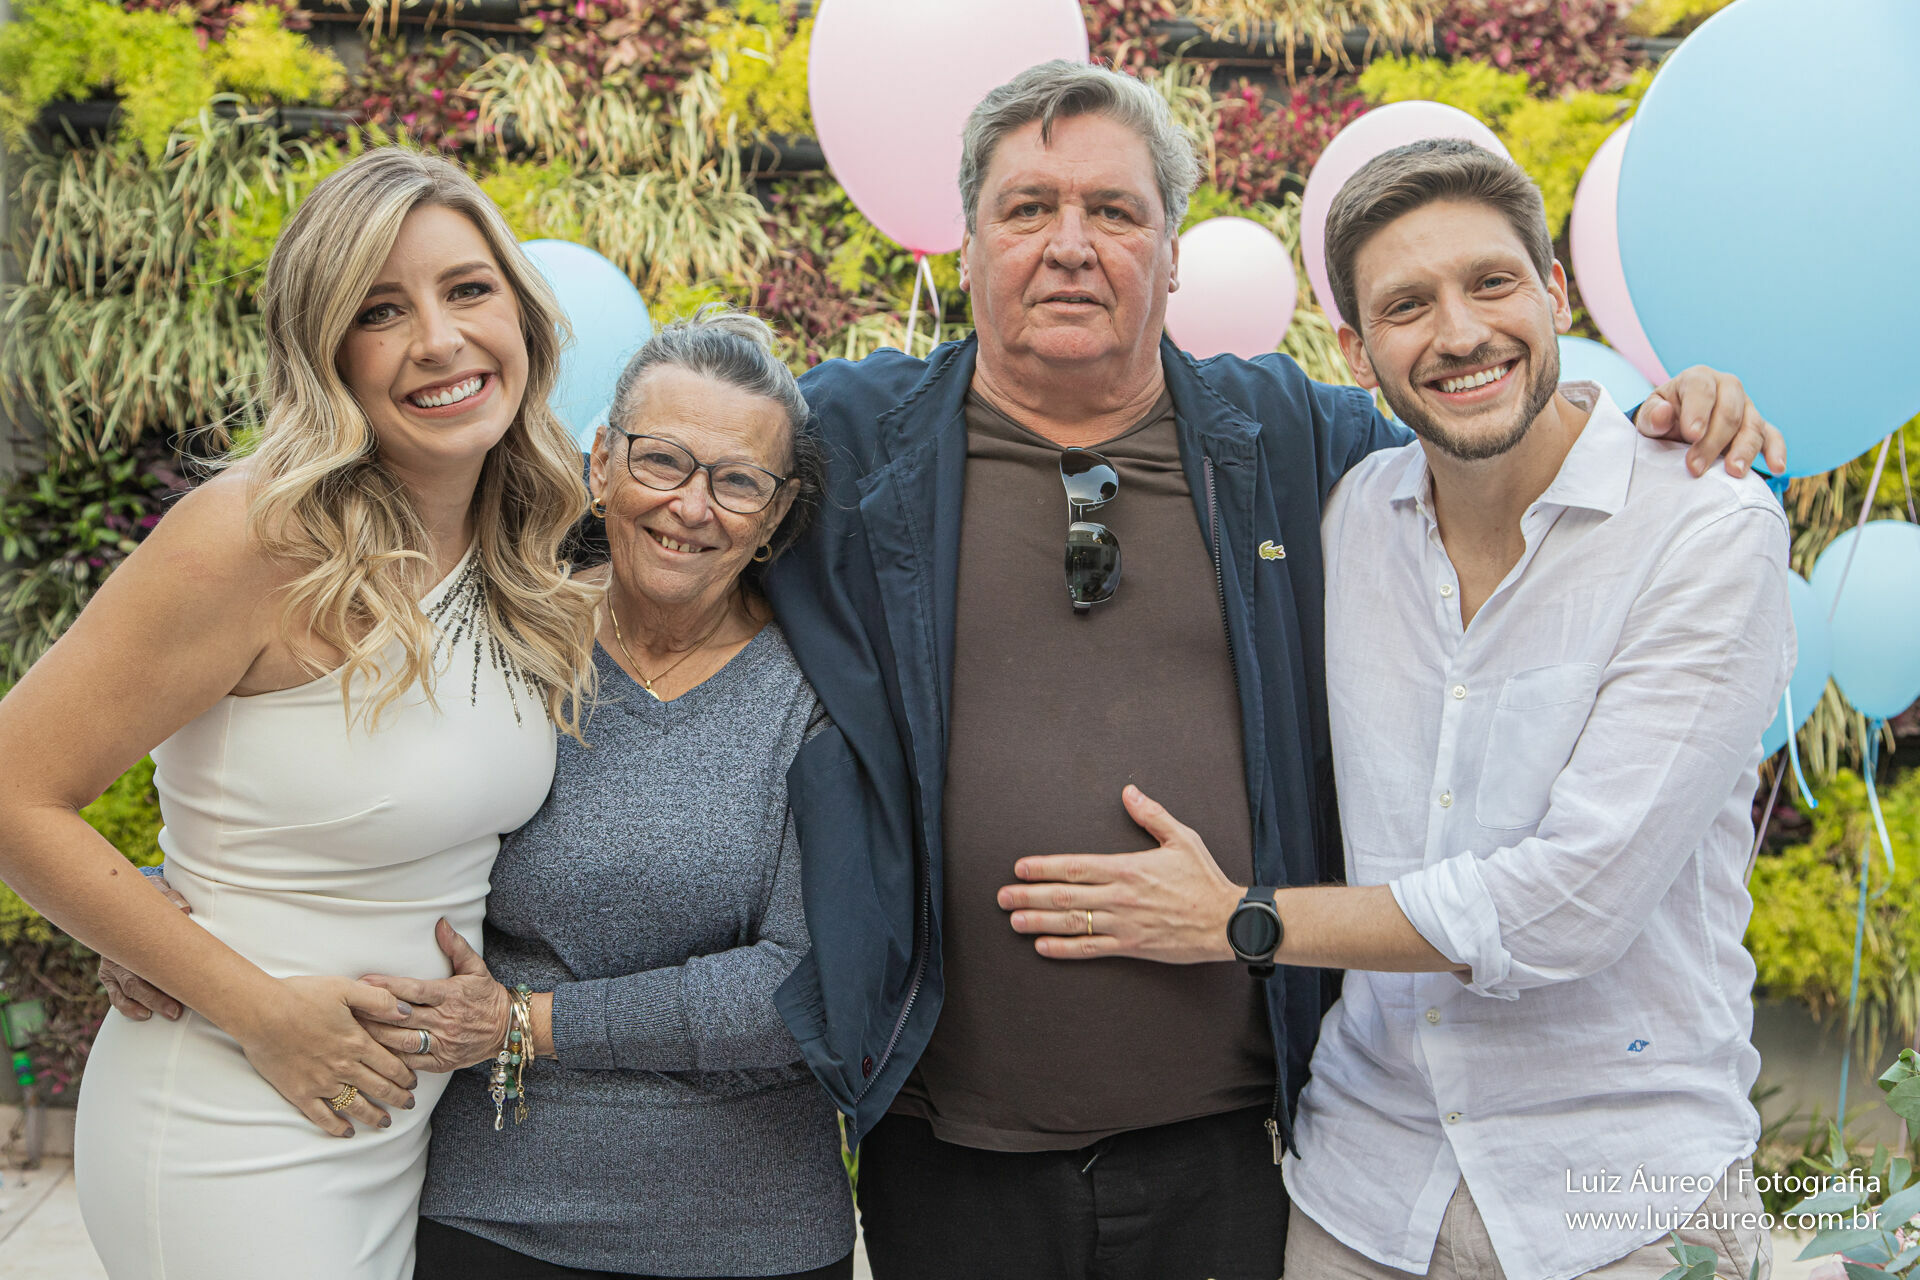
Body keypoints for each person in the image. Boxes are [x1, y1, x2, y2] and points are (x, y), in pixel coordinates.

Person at [762, 60, 1786, 1280]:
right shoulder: (844, 444)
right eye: (1028, 208)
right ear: (970, 244)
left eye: (1115, 210)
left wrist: (1684, 409)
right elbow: (659, 493)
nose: (1071, 244)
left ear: (1174, 255)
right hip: (955, 1154)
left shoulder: (1304, 453)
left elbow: (1487, 413)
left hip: (1246, 1158)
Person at [103, 309, 858, 1280]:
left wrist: (522, 1022)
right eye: (662, 460)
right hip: (491, 1211)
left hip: (748, 1231)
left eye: (739, 480)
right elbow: (348, 807)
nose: (691, 505)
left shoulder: (817, 696)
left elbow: (800, 985)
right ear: (602, 462)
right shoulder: (501, 634)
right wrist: (172, 908)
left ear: (779, 513)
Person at [0, 147, 599, 1279]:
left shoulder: (521, 551)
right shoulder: (252, 538)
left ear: (521, 312)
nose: (440, 339)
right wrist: (255, 1008)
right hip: (235, 1111)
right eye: (381, 310)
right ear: (324, 350)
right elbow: (13, 792)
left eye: (468, 288)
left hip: (395, 1129)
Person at [1265, 139, 1785, 1278]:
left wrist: (1240, 921)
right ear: (1355, 352)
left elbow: (1569, 905)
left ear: (1554, 291)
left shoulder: (1705, 524)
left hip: (1626, 1202)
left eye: (1491, 282)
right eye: (1407, 305)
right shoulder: (1350, 520)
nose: (1458, 332)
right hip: (1362, 1189)